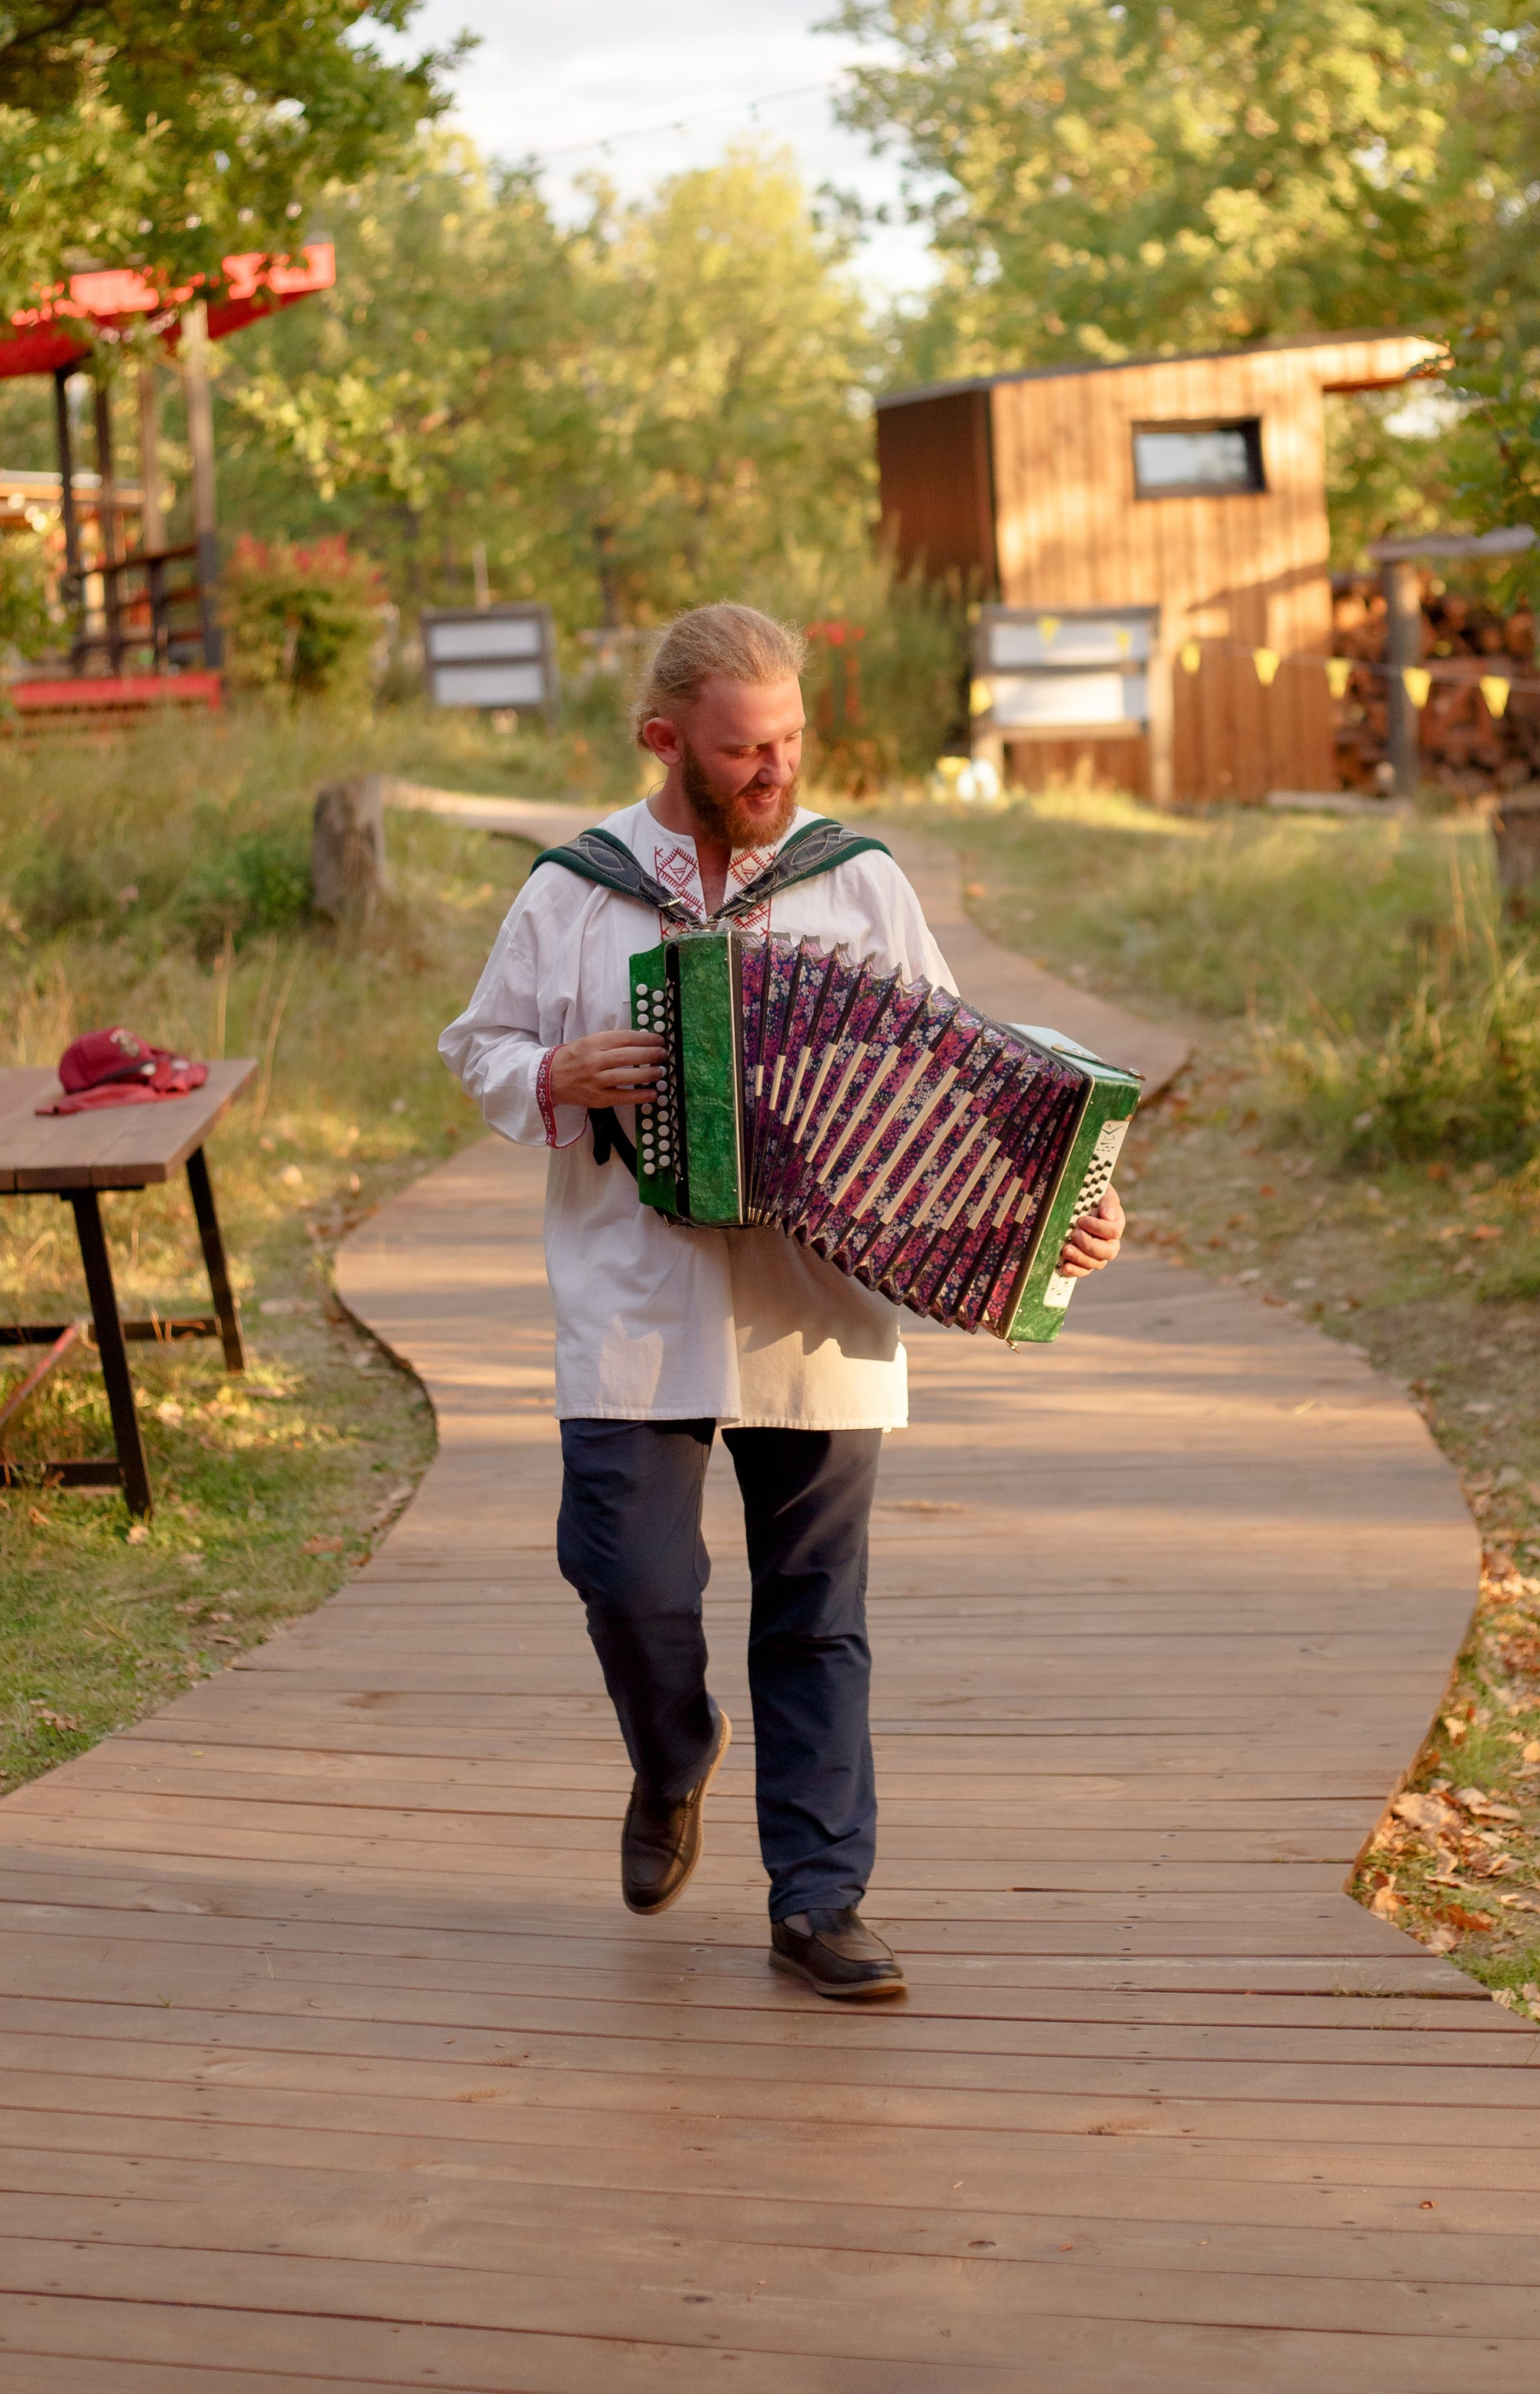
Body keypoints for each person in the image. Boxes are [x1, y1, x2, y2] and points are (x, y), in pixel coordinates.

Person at [438, 602, 1126, 2000]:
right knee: (628, 1582)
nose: (775, 776)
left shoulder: (853, 879)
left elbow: (964, 1076)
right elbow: (481, 1043)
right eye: (744, 752)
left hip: (816, 1312)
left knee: (817, 1613)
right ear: (663, 741)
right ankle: (672, 1756)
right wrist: (550, 1077)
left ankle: (820, 1902)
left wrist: (1061, 1214)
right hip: (633, 1302)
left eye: (791, 743)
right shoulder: (574, 888)